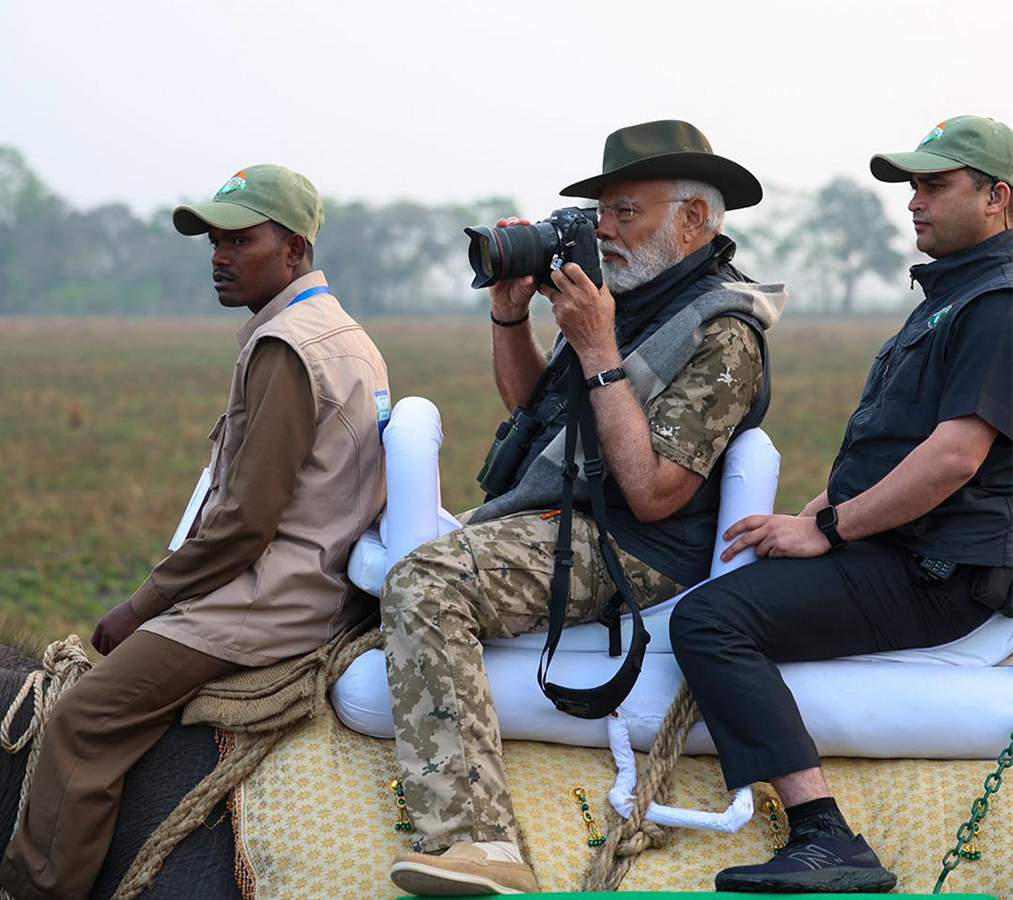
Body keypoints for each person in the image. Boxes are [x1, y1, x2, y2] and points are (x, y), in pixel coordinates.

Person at [382, 120, 785, 896]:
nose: (603, 228)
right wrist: (510, 314)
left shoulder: (723, 331)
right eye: (601, 210)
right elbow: (536, 410)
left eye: (624, 211)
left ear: (693, 219)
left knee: (425, 583)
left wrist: (599, 351)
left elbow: (656, 492)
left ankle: (481, 847)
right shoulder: (625, 298)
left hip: (635, 544)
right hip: (564, 517)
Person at [0, 164, 390, 900]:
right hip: (312, 583)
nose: (219, 256)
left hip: (268, 599)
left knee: (84, 718)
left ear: (295, 250)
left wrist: (142, 605)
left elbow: (244, 525)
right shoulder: (341, 334)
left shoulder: (287, 346)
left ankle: (36, 892)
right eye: (214, 241)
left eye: (240, 240)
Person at [670, 114, 1013, 894]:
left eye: (935, 185)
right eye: (912, 187)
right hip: (900, 546)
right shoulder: (951, 298)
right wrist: (804, 518)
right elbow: (892, 448)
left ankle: (824, 836)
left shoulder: (998, 303)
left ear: (996, 197)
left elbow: (955, 457)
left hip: (941, 570)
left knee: (711, 620)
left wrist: (828, 528)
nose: (914, 202)